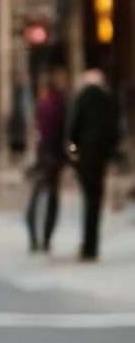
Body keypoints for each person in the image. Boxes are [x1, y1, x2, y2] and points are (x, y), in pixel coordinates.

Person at [67, 68, 120, 261]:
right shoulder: (108, 100)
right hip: (101, 157)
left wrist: (73, 154)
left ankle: (88, 246)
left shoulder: (82, 99)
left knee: (89, 198)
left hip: (85, 158)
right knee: (95, 200)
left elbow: (73, 130)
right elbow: (114, 129)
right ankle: (92, 245)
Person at [24, 66, 69, 253]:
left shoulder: (47, 104)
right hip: (52, 158)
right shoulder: (58, 104)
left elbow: (42, 133)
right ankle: (44, 239)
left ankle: (36, 238)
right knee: (49, 199)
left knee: (39, 198)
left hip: (45, 156)